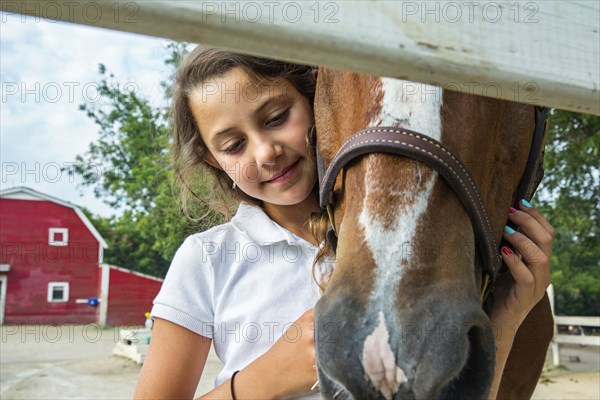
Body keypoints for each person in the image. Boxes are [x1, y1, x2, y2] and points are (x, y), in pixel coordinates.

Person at [134, 46, 554, 400]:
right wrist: (266, 377)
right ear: (214, 160)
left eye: (277, 117)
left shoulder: (397, 243)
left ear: (318, 102)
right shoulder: (206, 258)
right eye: (233, 145)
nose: (264, 153)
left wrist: (506, 322)